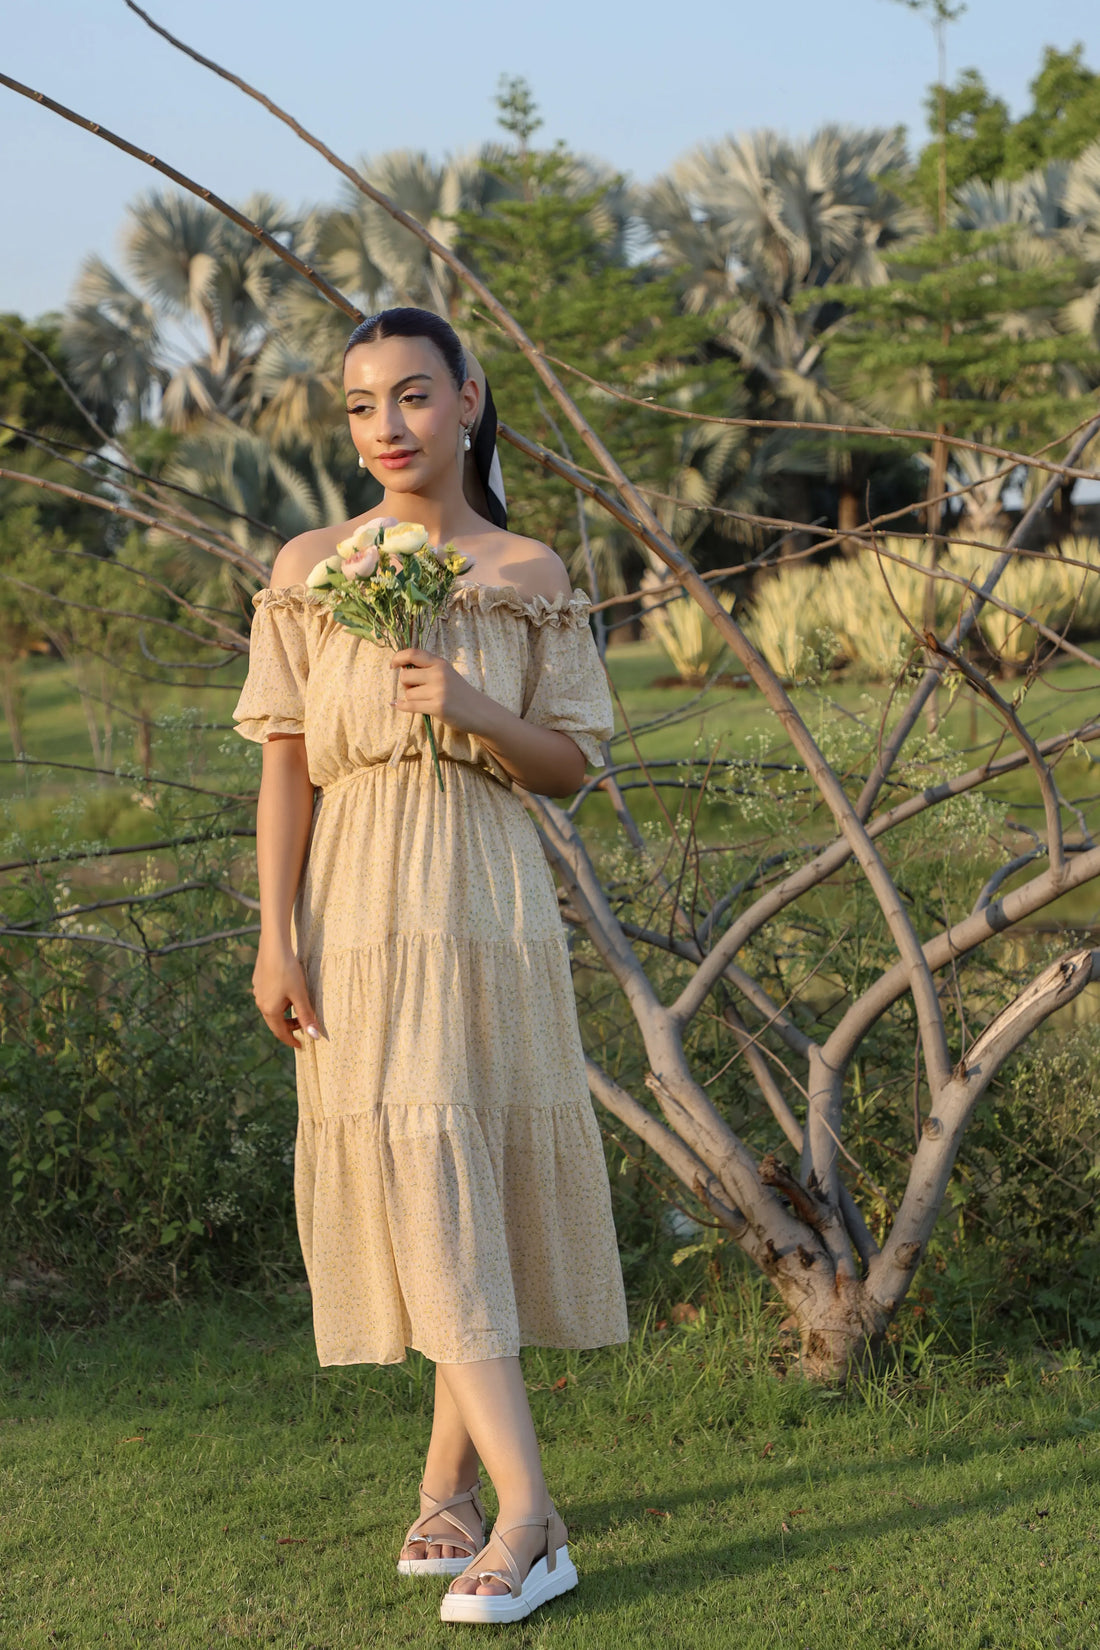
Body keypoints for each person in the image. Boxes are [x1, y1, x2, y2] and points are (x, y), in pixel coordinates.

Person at [231, 306, 629, 1626]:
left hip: (483, 901)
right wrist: (273, 931)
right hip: (353, 897)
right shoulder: (307, 566)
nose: (386, 428)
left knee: (460, 1168)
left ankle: (523, 1513)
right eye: (360, 405)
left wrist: (471, 709)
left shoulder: (527, 567)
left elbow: (570, 764)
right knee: (414, 1165)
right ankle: (457, 1485)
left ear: (468, 399)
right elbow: (286, 760)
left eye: (412, 395)